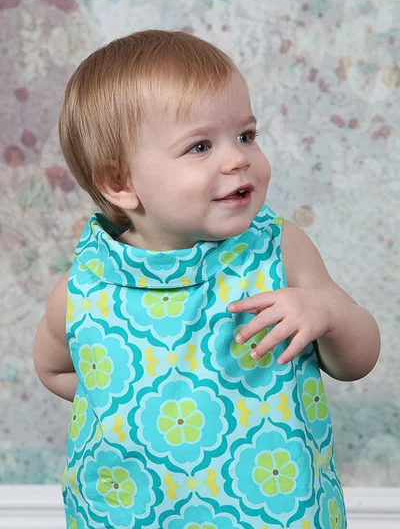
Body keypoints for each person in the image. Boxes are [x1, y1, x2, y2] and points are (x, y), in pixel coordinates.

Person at [33, 29, 380, 529]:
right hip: (129, 512)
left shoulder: (277, 249)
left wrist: (327, 313)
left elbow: (358, 361)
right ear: (120, 183)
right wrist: (128, 404)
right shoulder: (86, 290)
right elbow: (56, 372)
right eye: (199, 146)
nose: (237, 157)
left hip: (274, 509)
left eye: (246, 135)